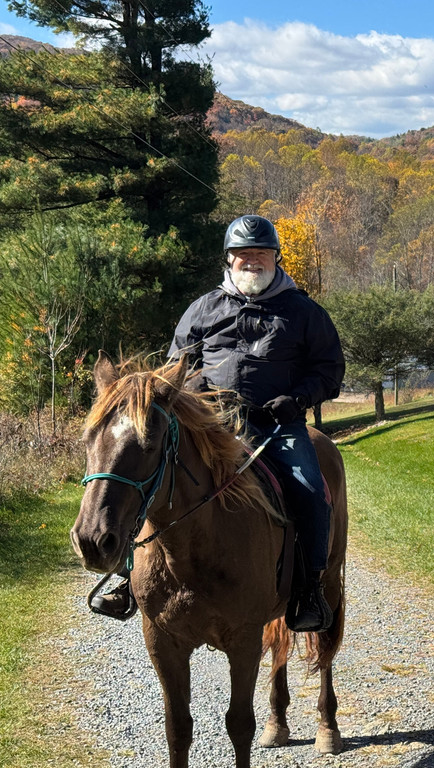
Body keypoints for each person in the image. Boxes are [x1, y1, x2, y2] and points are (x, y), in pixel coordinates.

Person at [91, 214, 345, 632]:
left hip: (276, 427)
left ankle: (308, 590)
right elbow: (175, 372)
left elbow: (329, 369)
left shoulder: (303, 312)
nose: (252, 261)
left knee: (311, 489)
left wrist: (298, 398)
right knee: (153, 474)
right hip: (211, 427)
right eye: (243, 254)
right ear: (229, 260)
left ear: (276, 258)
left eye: (260, 253)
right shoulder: (203, 310)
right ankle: (124, 577)